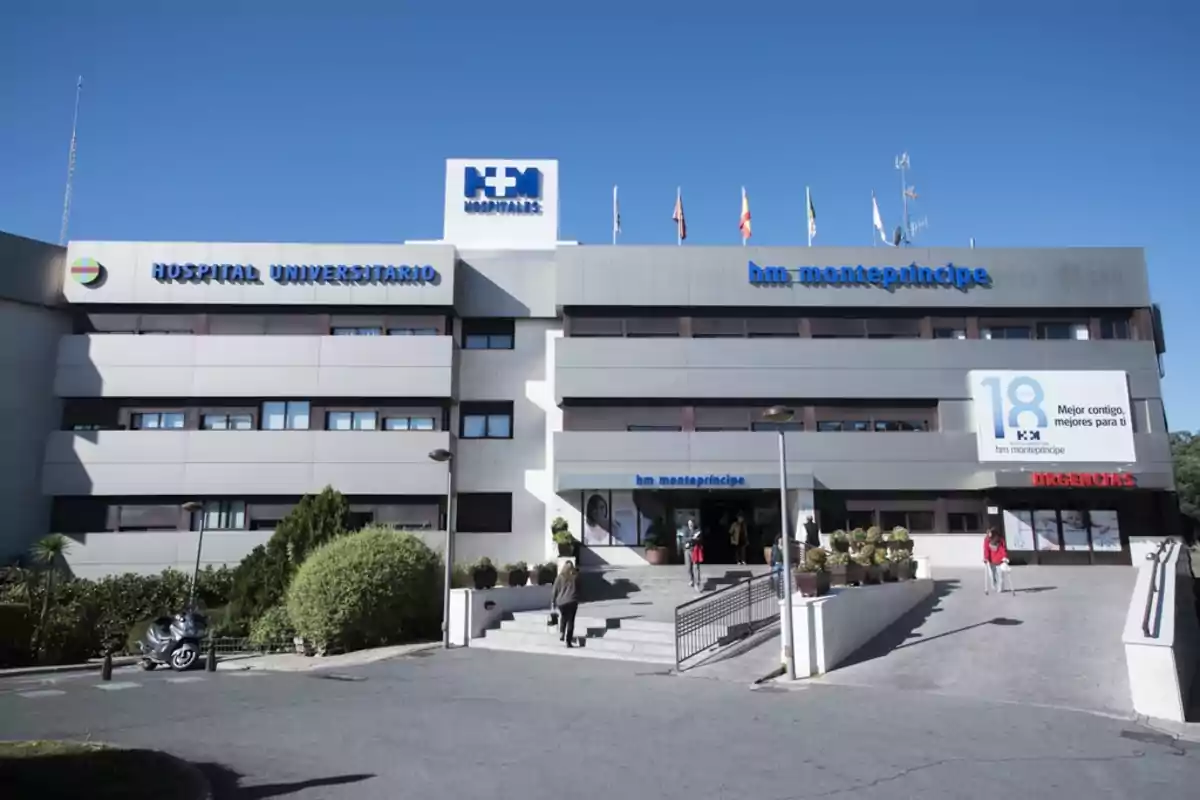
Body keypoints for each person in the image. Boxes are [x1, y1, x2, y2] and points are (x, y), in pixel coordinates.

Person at [552, 560, 582, 646]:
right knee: (571, 621)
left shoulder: (559, 577)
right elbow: (579, 588)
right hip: (572, 601)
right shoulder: (575, 577)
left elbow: (555, 590)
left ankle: (562, 632)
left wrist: (553, 601)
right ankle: (568, 641)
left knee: (564, 617)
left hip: (561, 602)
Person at [983, 527, 1009, 595]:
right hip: (991, 560)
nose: (989, 535)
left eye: (990, 533)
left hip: (999, 560)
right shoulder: (987, 540)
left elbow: (1003, 549)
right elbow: (986, 549)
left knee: (1000, 575)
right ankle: (994, 585)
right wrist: (986, 558)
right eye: (988, 533)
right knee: (992, 575)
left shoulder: (1000, 540)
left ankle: (1000, 588)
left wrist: (1004, 557)